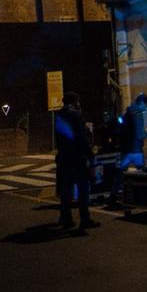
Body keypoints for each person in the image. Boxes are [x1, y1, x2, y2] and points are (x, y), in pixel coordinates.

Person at [55, 91, 97, 232]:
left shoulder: (59, 115)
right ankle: (84, 219)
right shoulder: (75, 115)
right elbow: (82, 138)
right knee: (83, 190)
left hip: (64, 157)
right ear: (75, 101)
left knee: (66, 191)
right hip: (77, 158)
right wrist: (90, 155)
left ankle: (66, 219)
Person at [109, 93, 147, 206]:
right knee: (144, 175)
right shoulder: (138, 115)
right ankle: (144, 198)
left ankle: (112, 198)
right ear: (141, 103)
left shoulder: (127, 113)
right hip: (136, 150)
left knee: (120, 174)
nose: (146, 108)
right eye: (145, 105)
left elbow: (120, 128)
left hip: (126, 149)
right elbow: (139, 135)